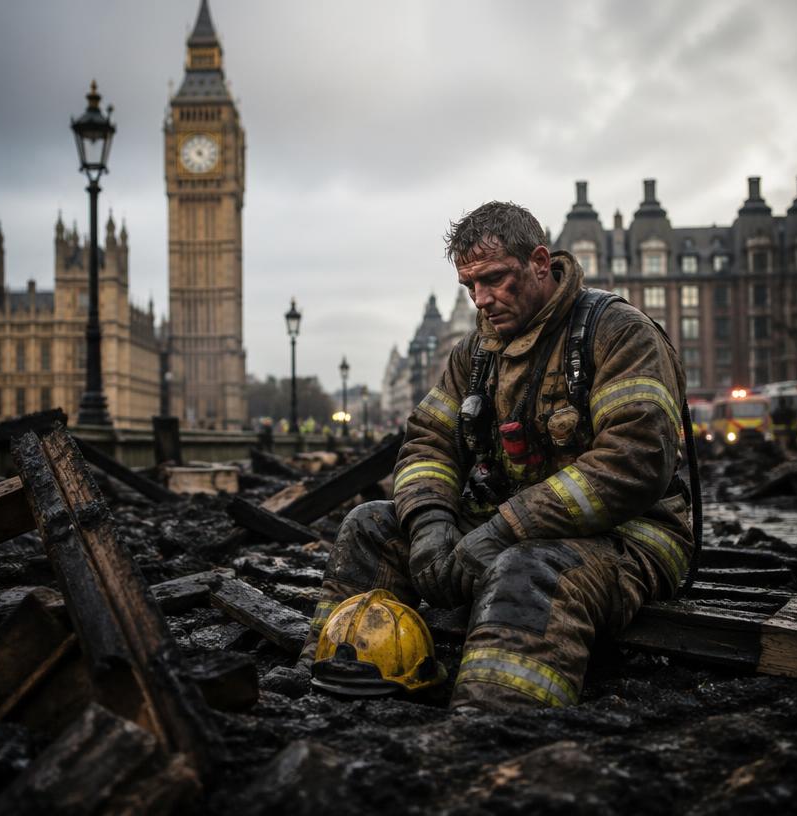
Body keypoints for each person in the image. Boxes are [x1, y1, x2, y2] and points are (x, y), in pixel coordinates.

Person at [292, 201, 693, 711]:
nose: (482, 299)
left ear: (540, 262)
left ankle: (495, 721)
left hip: (630, 534)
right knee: (370, 525)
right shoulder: (475, 354)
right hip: (500, 526)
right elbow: (426, 442)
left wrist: (504, 531)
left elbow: (633, 462)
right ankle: (325, 676)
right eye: (470, 287)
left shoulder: (618, 334)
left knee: (529, 569)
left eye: (496, 280)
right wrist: (430, 522)